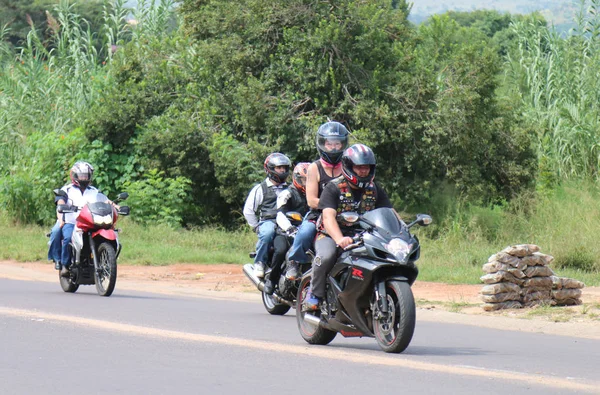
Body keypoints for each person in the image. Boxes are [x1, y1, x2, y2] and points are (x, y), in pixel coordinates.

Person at [304, 144, 394, 310]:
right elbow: (328, 217)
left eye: (366, 168)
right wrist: (339, 239)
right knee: (326, 256)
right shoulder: (333, 187)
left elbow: (390, 213)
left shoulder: (375, 189)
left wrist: (399, 232)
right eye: (359, 168)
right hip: (330, 235)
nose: (363, 171)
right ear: (349, 167)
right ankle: (314, 294)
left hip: (364, 235)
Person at [285, 121, 349, 278]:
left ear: (343, 145)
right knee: (306, 231)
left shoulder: (348, 166)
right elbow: (311, 201)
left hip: (346, 213)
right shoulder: (315, 167)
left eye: (337, 144)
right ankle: (294, 261)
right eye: (329, 144)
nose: (334, 147)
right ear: (322, 144)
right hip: (318, 214)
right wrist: (330, 208)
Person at [47, 161, 103, 277]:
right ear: (75, 176)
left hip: (90, 222)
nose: (84, 178)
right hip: (72, 222)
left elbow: (105, 200)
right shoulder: (67, 189)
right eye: (81, 175)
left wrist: (116, 207)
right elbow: (60, 200)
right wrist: (62, 206)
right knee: (66, 238)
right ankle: (64, 264)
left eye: (86, 175)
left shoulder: (94, 191)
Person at [263, 162, 310, 295]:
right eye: (303, 180)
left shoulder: (315, 193)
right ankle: (271, 280)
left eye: (309, 180)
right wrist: (289, 228)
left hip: (306, 230)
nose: (306, 183)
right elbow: (280, 215)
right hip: (286, 230)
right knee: (281, 250)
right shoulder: (287, 193)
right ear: (296, 178)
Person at [243, 153, 291, 279]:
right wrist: (256, 227)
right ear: (270, 169)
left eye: (284, 168)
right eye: (279, 168)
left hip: (288, 222)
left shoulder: (290, 188)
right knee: (268, 232)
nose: (282, 170)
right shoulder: (260, 188)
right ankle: (260, 262)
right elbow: (248, 210)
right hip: (269, 220)